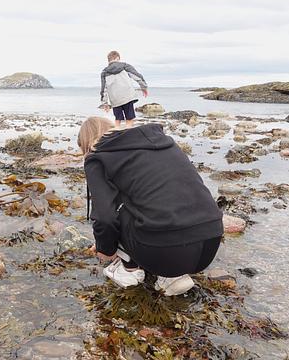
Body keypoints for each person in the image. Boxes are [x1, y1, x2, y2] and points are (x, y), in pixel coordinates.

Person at [78, 117, 223, 296]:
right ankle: (171, 277)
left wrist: (105, 249)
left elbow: (105, 217)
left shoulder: (97, 157)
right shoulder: (165, 143)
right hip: (210, 244)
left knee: (118, 204)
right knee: (154, 199)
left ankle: (129, 270)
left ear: (86, 144)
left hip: (163, 252)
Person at [100, 51, 148, 128]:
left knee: (118, 119)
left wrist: (105, 103)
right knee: (129, 118)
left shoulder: (104, 72)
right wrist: (144, 87)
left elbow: (103, 89)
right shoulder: (125, 66)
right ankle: (128, 134)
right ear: (117, 58)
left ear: (109, 60)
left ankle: (116, 134)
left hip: (115, 99)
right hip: (127, 97)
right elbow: (137, 77)